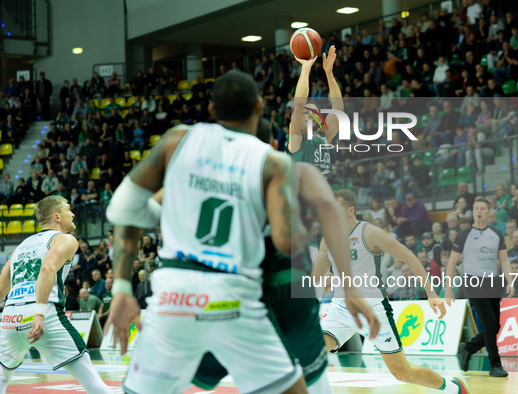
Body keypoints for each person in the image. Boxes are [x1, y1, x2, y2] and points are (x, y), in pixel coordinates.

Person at [105, 70, 374, 394]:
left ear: (213, 110)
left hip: (175, 296)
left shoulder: (179, 143)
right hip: (246, 292)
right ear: (262, 111)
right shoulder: (280, 164)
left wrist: (124, 280)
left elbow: (125, 210)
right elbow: (294, 237)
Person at [191, 120, 378, 393]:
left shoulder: (217, 179)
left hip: (240, 288)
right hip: (282, 278)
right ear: (274, 144)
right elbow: (308, 226)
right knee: (304, 377)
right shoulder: (291, 167)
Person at [314, 189, 470, 394]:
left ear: (350, 210)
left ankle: (453, 387)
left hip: (374, 310)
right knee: (314, 354)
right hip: (340, 309)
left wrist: (431, 293)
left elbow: (409, 257)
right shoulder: (328, 239)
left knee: (402, 372)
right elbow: (315, 276)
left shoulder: (369, 233)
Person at [0, 196, 112, 393]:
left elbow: (1, 288)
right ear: (57, 216)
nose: (73, 213)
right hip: (44, 315)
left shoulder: (20, 246)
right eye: (69, 209)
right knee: (92, 381)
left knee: (1, 379)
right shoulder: (65, 239)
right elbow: (47, 268)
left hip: (10, 318)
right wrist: (39, 314)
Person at [446, 197, 515, 378]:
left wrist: (510, 281)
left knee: (495, 325)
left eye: (483, 208)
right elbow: (452, 262)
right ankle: (495, 365)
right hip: (473, 281)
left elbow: (505, 260)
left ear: (488, 212)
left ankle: (469, 347)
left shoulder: (497, 234)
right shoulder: (464, 234)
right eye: (476, 208)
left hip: (493, 282)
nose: (479, 211)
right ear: (473, 211)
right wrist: (448, 288)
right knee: (490, 323)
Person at [289, 46, 342, 177]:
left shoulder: (324, 136)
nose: (312, 116)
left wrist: (329, 74)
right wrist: (306, 67)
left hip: (323, 191)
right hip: (302, 193)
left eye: (316, 113)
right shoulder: (298, 134)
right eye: (308, 113)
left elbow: (338, 108)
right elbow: (300, 103)